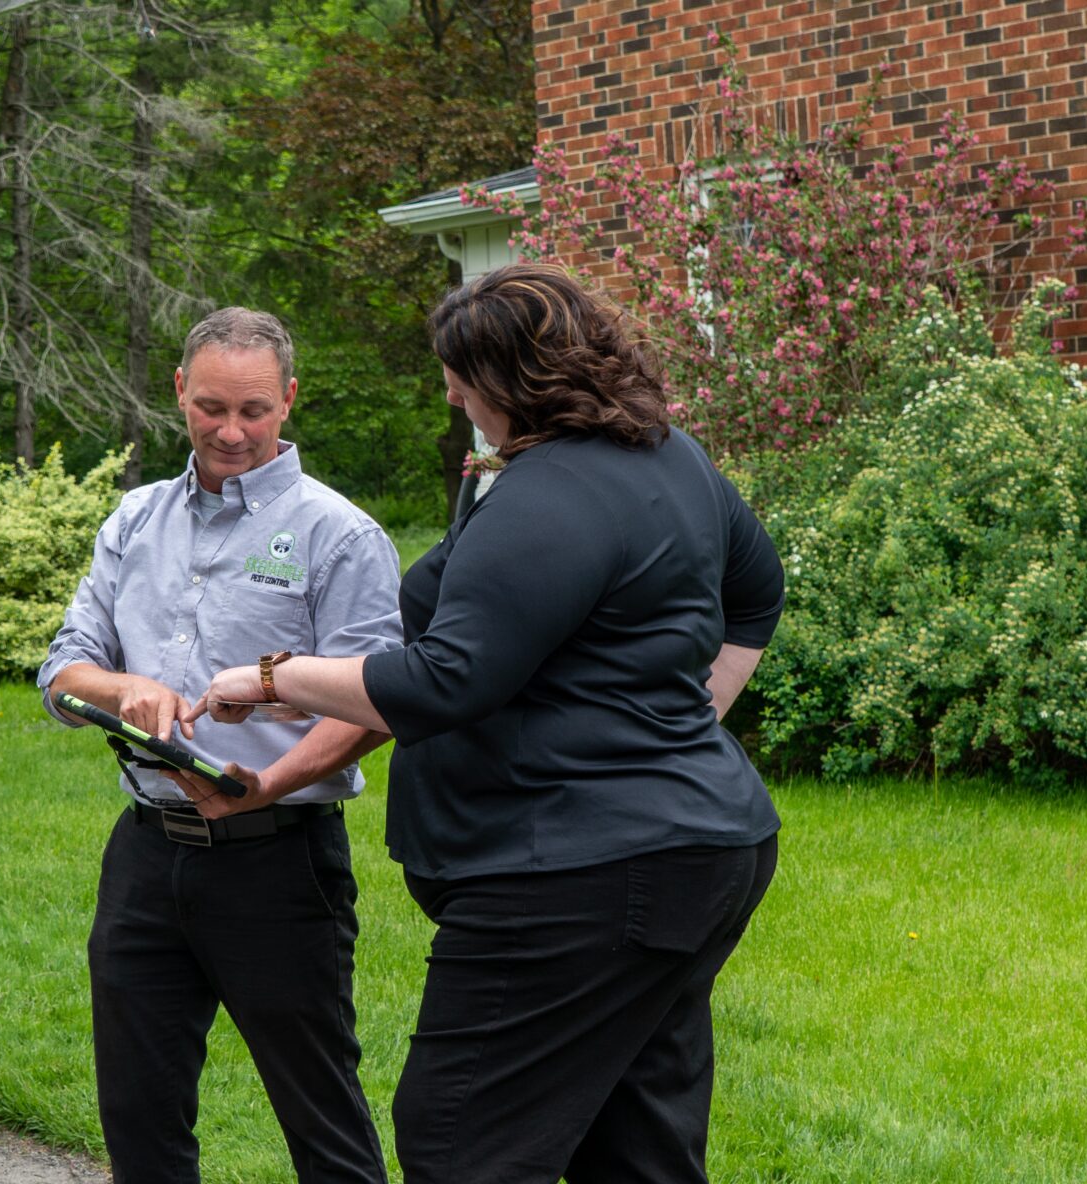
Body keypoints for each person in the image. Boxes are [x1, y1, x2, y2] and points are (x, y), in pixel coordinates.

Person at [185, 263, 786, 1184]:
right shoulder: (664, 456)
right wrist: (688, 721)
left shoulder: (555, 495)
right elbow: (757, 588)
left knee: (461, 1140)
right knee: (637, 1145)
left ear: (510, 378)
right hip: (691, 854)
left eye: (461, 375)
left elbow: (441, 681)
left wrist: (269, 678)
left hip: (572, 880)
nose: (451, 390)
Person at [38, 307, 402, 1184]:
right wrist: (126, 689)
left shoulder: (340, 535)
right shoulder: (134, 520)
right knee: (138, 1113)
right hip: (145, 855)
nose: (230, 432)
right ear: (178, 393)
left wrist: (267, 783)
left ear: (289, 400)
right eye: (210, 409)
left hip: (278, 863)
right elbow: (62, 674)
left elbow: (378, 705)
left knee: (321, 1118)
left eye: (253, 411)